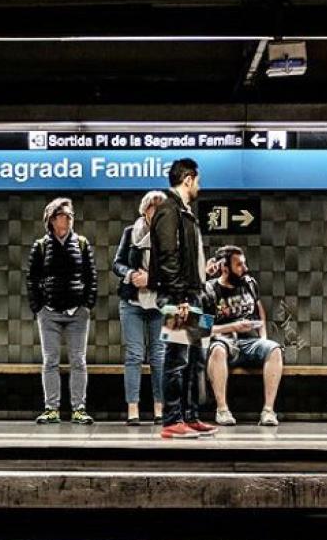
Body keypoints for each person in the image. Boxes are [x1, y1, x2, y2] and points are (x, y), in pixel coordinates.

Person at [149, 158, 216, 440]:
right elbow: (167, 256)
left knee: (194, 359)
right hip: (180, 296)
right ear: (187, 179)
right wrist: (179, 296)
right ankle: (172, 420)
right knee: (177, 358)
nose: (199, 186)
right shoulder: (168, 210)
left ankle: (190, 416)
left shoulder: (185, 213)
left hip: (193, 294)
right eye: (197, 180)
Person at [26, 197, 98, 425]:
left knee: (78, 360)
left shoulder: (83, 243)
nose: (66, 219)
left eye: (69, 215)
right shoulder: (40, 246)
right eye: (61, 215)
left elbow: (91, 276)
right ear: (51, 219)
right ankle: (51, 408)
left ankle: (79, 408)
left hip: (77, 312)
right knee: (50, 361)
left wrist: (87, 305)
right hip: (49, 312)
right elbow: (32, 279)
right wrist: (38, 308)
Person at [203, 245, 282, 427]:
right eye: (238, 265)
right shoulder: (210, 290)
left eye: (244, 264)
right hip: (224, 341)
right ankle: (222, 410)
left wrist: (263, 336)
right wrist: (233, 326)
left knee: (274, 349)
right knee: (217, 351)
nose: (244, 269)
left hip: (249, 340)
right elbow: (204, 328)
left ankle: (268, 411)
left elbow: (259, 310)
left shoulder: (249, 284)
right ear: (225, 268)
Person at [111, 190, 167, 425]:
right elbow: (117, 264)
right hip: (132, 302)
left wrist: (151, 279)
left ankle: (159, 408)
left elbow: (176, 271)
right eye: (154, 212)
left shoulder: (172, 236)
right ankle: (133, 409)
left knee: (159, 356)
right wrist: (131, 273)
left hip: (160, 303)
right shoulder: (130, 233)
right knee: (134, 355)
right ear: (145, 212)